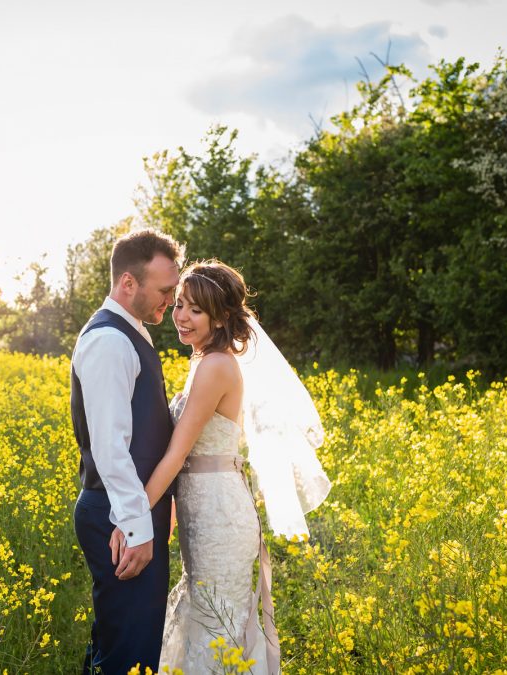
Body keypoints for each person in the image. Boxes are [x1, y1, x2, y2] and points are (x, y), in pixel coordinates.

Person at [110, 260, 332, 674]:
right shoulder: (203, 360)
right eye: (178, 304)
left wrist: (132, 517)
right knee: (207, 617)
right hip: (204, 510)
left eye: (195, 309)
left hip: (221, 517)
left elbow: (177, 454)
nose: (181, 317)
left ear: (221, 316)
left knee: (216, 626)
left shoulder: (215, 366)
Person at [70, 228, 183, 675]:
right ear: (128, 283)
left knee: (127, 636)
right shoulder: (109, 341)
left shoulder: (131, 333)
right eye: (165, 290)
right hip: (118, 513)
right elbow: (110, 449)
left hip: (132, 507)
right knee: (128, 652)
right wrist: (135, 526)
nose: (171, 302)